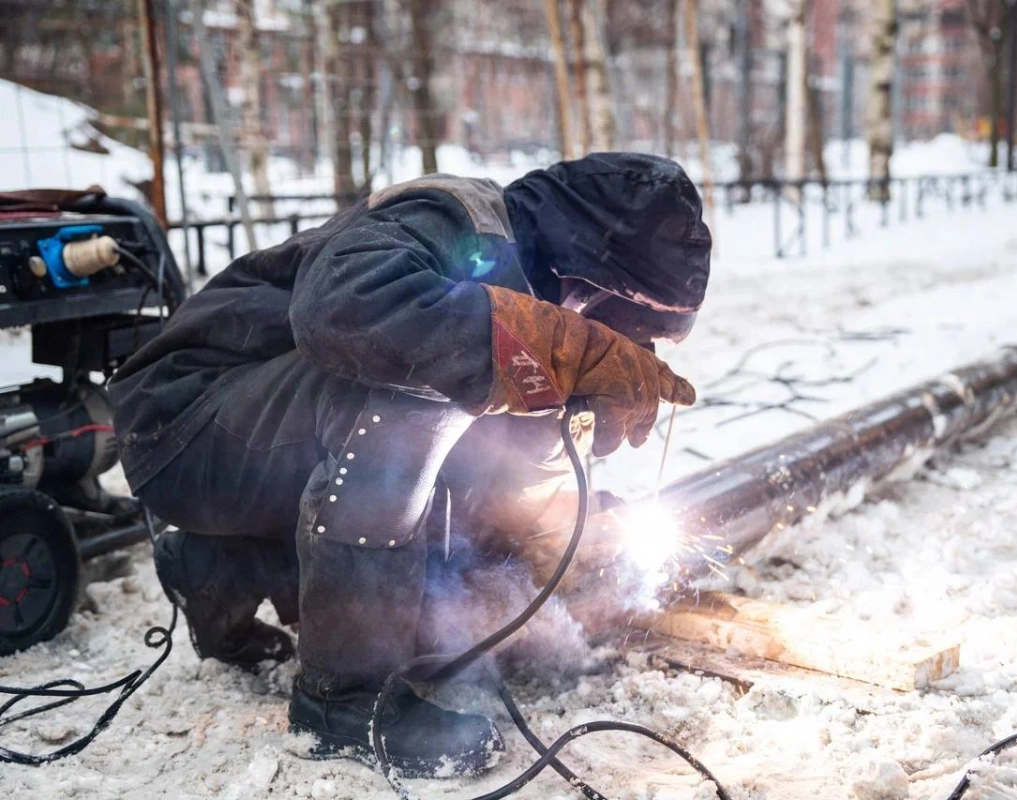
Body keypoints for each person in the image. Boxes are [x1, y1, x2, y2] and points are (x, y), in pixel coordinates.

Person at [110, 153, 711, 778]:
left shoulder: (532, 289)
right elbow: (340, 312)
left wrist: (571, 540)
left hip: (256, 451)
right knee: (416, 389)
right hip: (181, 425)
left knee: (469, 477)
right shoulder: (450, 216)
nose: (629, 352)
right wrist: (567, 346)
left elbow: (511, 480)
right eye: (629, 334)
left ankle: (224, 566)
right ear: (589, 282)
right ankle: (342, 700)